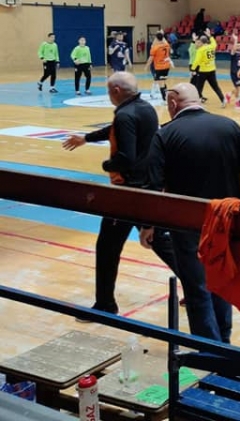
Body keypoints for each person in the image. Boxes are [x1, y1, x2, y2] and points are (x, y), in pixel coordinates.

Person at [141, 83, 240, 343]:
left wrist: (148, 225)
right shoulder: (229, 126)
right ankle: (223, 342)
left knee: (196, 287)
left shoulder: (165, 134)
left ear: (173, 104)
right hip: (226, 218)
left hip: (186, 222)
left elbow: (153, 185)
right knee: (221, 278)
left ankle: (209, 349)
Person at [62, 72, 177, 317]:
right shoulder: (145, 108)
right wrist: (86, 138)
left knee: (107, 247)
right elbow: (116, 130)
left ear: (115, 91)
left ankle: (105, 304)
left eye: (108, 91)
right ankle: (199, 285)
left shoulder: (125, 115)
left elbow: (126, 158)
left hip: (127, 193)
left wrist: (107, 165)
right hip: (147, 188)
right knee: (159, 242)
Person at [191, 32, 226, 107]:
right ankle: (223, 99)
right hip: (212, 70)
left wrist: (193, 69)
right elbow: (214, 43)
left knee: (199, 87)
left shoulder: (200, 50)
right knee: (215, 87)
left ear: (201, 42)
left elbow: (197, 61)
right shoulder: (212, 46)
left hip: (203, 71)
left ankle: (198, 103)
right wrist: (210, 36)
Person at [148, 31, 172, 101]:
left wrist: (161, 35)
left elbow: (163, 41)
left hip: (160, 65)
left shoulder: (161, 45)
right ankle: (155, 94)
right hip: (155, 64)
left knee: (160, 81)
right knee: (158, 80)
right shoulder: (155, 46)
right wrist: (161, 34)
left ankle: (158, 94)